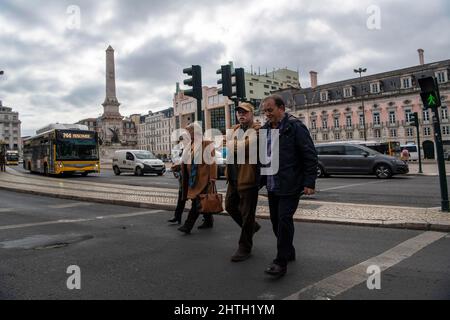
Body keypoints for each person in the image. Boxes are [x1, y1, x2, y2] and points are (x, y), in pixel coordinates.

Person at [260, 95, 318, 277]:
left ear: (281, 108)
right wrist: (258, 182)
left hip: (290, 183)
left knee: (284, 220)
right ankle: (288, 251)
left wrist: (309, 182)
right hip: (272, 184)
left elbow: (309, 155)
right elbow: (263, 159)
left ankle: (281, 261)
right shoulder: (264, 130)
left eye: (270, 110)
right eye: (264, 111)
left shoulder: (295, 127)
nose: (267, 114)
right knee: (275, 221)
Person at [225, 102, 262, 262]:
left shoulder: (258, 130)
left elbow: (245, 147)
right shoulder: (233, 129)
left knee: (247, 214)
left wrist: (233, 144)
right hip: (232, 177)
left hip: (248, 178)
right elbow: (227, 146)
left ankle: (244, 247)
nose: (241, 115)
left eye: (245, 112)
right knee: (229, 206)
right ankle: (252, 227)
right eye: (239, 112)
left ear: (252, 114)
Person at [177, 122, 217, 234]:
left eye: (189, 132)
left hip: (204, 178)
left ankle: (187, 226)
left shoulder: (206, 143)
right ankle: (208, 221)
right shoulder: (191, 144)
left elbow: (213, 162)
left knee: (197, 202)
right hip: (194, 178)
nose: (187, 134)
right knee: (203, 200)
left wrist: (213, 177)